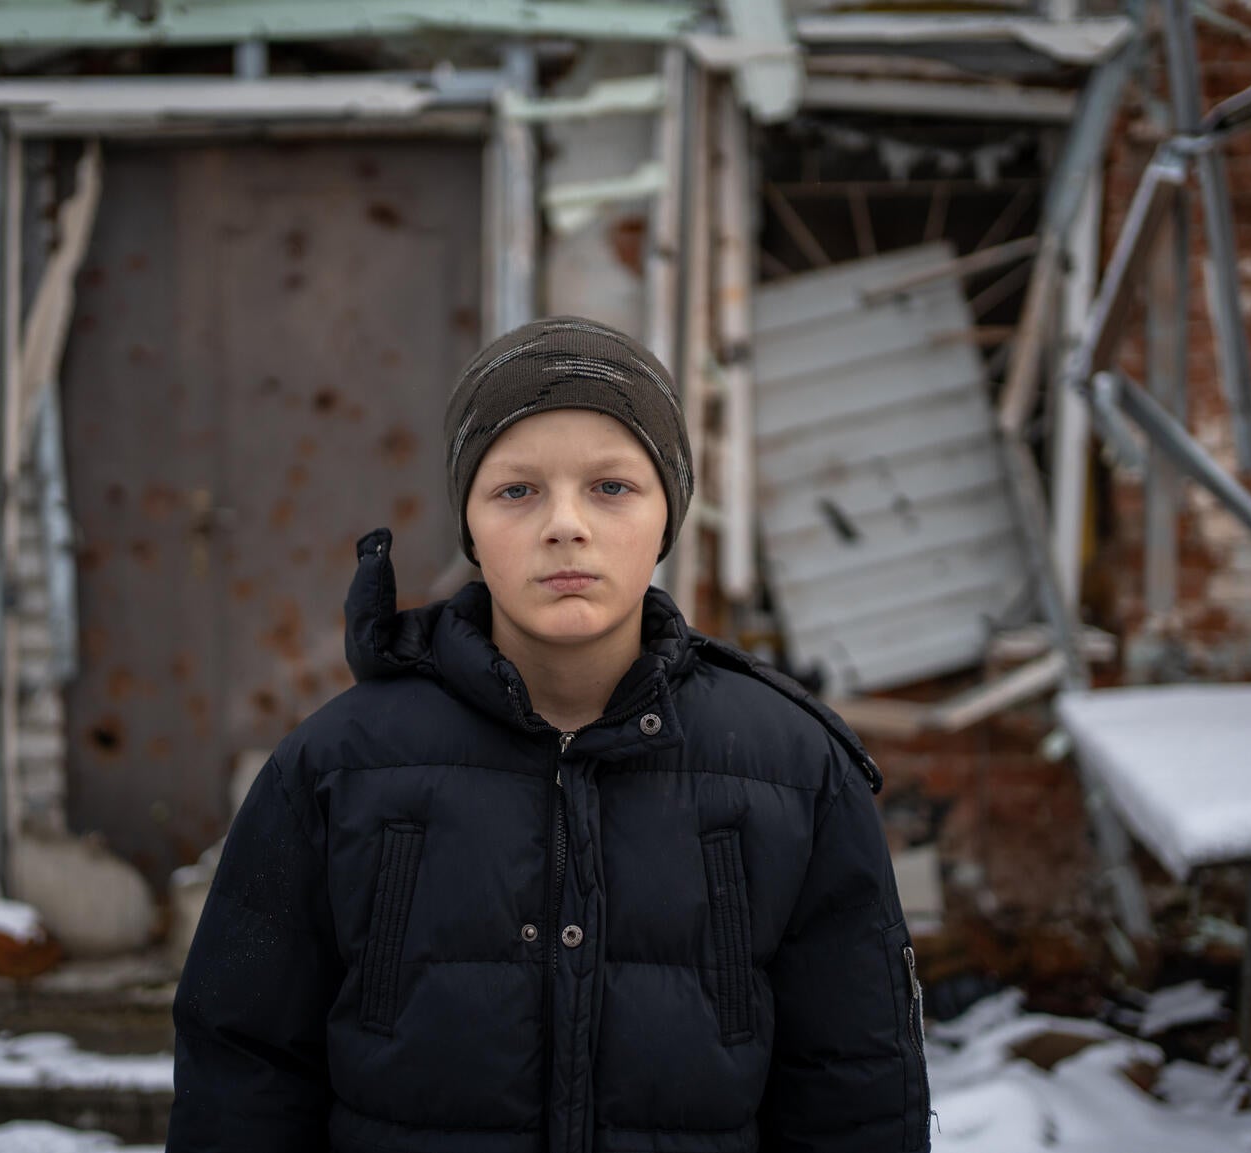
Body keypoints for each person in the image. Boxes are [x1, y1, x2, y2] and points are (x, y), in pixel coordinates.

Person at [168, 316, 931, 1153]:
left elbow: (857, 1089)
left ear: (667, 512)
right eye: (517, 490)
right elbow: (242, 1073)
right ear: (470, 522)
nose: (565, 524)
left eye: (611, 486)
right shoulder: (337, 768)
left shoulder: (794, 772)